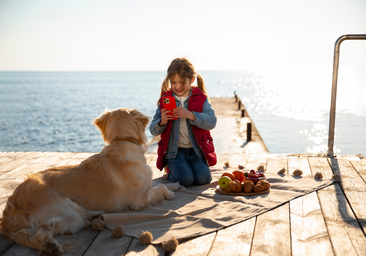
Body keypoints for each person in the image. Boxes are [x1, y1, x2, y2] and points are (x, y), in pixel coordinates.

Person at [150, 57, 217, 187]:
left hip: (196, 150)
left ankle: (186, 167)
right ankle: (170, 167)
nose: (178, 86)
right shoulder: (166, 99)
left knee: (203, 179)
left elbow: (212, 122)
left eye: (182, 82)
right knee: (186, 180)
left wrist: (192, 116)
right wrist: (162, 121)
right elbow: (153, 129)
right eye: (173, 82)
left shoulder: (200, 98)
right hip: (175, 152)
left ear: (192, 80)